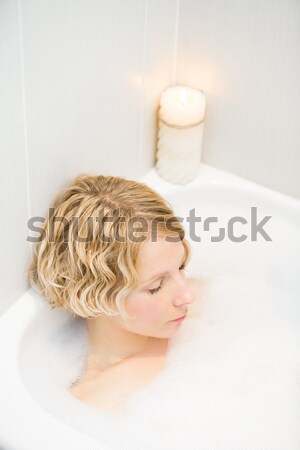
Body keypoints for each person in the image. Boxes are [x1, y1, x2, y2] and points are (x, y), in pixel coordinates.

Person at [28, 174, 197, 412]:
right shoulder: (101, 403)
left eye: (180, 267)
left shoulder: (202, 312)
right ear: (96, 296)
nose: (188, 295)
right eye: (156, 287)